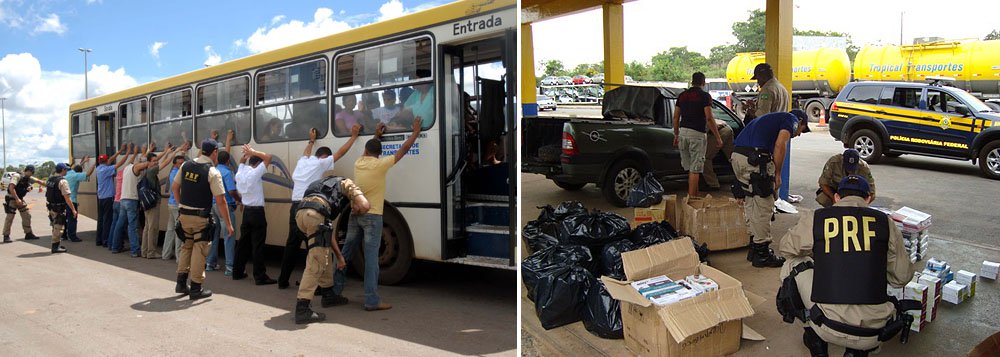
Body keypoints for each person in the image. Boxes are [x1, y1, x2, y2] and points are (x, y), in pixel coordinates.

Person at [777, 175, 914, 357]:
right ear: (868, 199)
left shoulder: (818, 217)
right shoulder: (885, 222)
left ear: (836, 197)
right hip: (874, 333)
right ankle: (858, 350)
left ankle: (812, 334)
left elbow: (786, 248)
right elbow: (902, 278)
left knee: (793, 264)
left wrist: (820, 253)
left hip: (827, 326)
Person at [333, 118, 423, 311]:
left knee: (346, 253)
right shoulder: (381, 165)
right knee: (371, 259)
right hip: (372, 216)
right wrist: (415, 132)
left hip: (355, 214)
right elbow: (403, 150)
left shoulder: (359, 163)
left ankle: (334, 292)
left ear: (365, 152)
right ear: (379, 154)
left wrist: (376, 136)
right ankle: (371, 300)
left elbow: (370, 149)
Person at [277, 124, 362, 289]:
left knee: (292, 245)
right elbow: (340, 153)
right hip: (307, 208)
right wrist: (353, 136)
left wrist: (311, 140)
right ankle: (320, 287)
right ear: (324, 157)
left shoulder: (303, 161)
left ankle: (283, 280)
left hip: (294, 207)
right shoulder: (320, 163)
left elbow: (306, 153)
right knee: (316, 246)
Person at [731, 109, 810, 268]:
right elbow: (780, 144)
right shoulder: (791, 119)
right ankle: (762, 253)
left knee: (752, 202)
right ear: (800, 121)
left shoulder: (767, 119)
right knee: (764, 205)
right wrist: (778, 174)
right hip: (755, 160)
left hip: (738, 157)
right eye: (802, 129)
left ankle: (754, 247)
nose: (799, 134)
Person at [293, 175, 369, 324]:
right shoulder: (344, 182)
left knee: (323, 252)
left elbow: (330, 235)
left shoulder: (320, 186)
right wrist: (361, 202)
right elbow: (360, 200)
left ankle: (328, 294)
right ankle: (302, 309)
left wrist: (339, 257)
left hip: (301, 215)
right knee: (316, 262)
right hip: (314, 216)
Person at [171, 139, 235, 300]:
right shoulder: (212, 172)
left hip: (184, 215)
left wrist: (181, 206)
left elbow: (174, 187)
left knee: (186, 247)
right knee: (199, 250)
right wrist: (228, 224)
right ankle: (196, 288)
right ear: (214, 152)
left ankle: (180, 283)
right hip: (200, 218)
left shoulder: (186, 165)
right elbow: (220, 200)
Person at [672, 72, 724, 198]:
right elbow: (709, 118)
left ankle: (694, 195)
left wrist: (676, 135)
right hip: (697, 135)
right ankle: (692, 199)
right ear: (703, 82)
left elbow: (675, 117)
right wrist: (718, 137)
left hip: (683, 134)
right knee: (695, 170)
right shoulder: (705, 96)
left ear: (692, 81)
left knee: (690, 168)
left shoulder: (682, 96)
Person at [233, 144, 274, 284]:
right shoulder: (255, 172)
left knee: (243, 243)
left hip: (247, 212)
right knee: (258, 245)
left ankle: (237, 272)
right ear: (257, 164)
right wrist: (253, 151)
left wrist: (246, 155)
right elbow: (269, 157)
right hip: (257, 213)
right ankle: (260, 276)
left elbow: (240, 163)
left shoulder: (241, 172)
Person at [112, 144, 156, 257]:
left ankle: (115, 247)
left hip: (123, 200)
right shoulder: (135, 168)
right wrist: (151, 162)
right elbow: (144, 164)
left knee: (120, 224)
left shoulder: (126, 168)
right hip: (131, 200)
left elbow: (137, 162)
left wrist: (144, 152)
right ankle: (135, 250)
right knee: (132, 226)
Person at [206, 131, 240, 274]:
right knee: (229, 236)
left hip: (212, 205)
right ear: (228, 161)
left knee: (214, 236)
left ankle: (210, 264)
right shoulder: (227, 172)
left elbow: (223, 155)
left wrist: (226, 140)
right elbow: (231, 191)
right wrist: (240, 200)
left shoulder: (213, 169)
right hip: (223, 206)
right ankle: (230, 267)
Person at [141, 144, 176, 259]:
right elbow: (164, 163)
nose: (156, 162)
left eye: (156, 161)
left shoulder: (147, 170)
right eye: (154, 161)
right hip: (153, 203)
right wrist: (173, 153)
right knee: (153, 228)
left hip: (146, 203)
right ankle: (151, 252)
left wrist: (166, 152)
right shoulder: (151, 171)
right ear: (149, 162)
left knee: (147, 227)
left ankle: (144, 251)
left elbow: (160, 161)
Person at [162, 143, 190, 260]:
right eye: (179, 163)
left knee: (170, 230)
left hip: (171, 204)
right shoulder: (177, 174)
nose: (181, 165)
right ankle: (179, 257)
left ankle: (166, 254)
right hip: (176, 205)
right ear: (174, 164)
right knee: (179, 231)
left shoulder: (173, 171)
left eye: (182, 163)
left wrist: (182, 152)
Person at [109, 144, 139, 252]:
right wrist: (134, 153)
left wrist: (130, 152)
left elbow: (127, 164)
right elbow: (130, 164)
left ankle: (113, 246)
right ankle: (134, 250)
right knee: (131, 226)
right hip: (126, 201)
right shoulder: (127, 172)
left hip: (118, 201)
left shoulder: (120, 174)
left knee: (118, 225)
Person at [95, 145, 126, 247]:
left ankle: (98, 240)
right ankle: (105, 240)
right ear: (106, 161)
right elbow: (118, 164)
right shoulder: (106, 170)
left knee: (101, 220)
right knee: (108, 220)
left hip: (100, 198)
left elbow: (110, 160)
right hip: (108, 198)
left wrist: (119, 151)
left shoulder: (99, 168)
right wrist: (127, 154)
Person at [4, 165, 44, 242]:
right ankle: (6, 235)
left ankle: (28, 233)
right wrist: (17, 199)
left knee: (27, 215)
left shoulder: (28, 178)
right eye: (31, 172)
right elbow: (11, 188)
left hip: (20, 199)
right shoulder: (17, 176)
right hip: (12, 198)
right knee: (10, 217)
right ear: (28, 170)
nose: (32, 174)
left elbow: (39, 181)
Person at [45, 163, 78, 253]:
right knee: (59, 227)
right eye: (66, 169)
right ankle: (55, 247)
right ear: (63, 170)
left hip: (51, 206)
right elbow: (67, 198)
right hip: (59, 208)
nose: (67, 171)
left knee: (54, 226)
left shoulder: (50, 180)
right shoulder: (62, 181)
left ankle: (57, 244)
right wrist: (73, 209)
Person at [62, 156, 96, 243]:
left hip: (63, 200)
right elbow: (87, 174)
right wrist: (94, 164)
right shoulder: (76, 175)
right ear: (79, 172)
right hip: (72, 201)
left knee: (65, 219)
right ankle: (72, 236)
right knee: (72, 219)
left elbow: (76, 168)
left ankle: (64, 235)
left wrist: (83, 162)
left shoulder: (68, 173)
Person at [701, 120, 735, 191]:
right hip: (727, 129)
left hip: (718, 131)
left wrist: (718, 138)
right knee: (732, 158)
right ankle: (744, 178)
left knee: (705, 158)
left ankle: (713, 184)